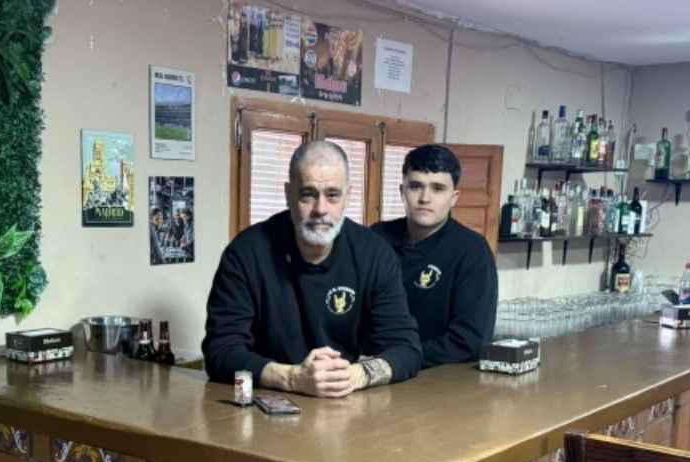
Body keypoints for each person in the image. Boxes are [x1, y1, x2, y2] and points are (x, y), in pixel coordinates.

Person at [203, 140, 422, 397]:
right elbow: (220, 351)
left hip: (343, 400)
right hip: (267, 400)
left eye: (332, 195)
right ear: (288, 194)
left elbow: (407, 349)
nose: (320, 209)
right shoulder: (246, 253)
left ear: (347, 196)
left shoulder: (374, 254)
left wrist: (356, 376)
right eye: (308, 194)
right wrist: (293, 378)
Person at [372, 144, 497, 367]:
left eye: (438, 188)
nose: (424, 198)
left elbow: (469, 342)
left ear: (454, 197)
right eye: (415, 186)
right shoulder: (376, 238)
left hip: (436, 381)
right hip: (367, 372)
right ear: (402, 191)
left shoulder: (472, 251)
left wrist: (394, 362)